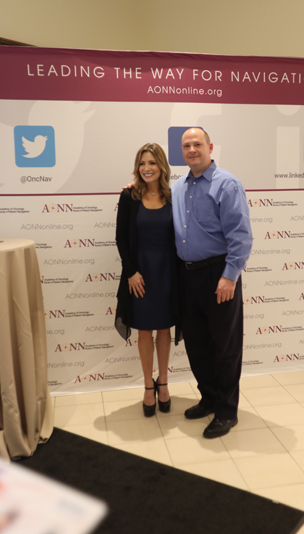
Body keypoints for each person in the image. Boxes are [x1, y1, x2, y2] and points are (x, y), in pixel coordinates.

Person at [172, 128, 252, 438]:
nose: (192, 149)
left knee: (225, 346)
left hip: (219, 275)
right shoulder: (178, 187)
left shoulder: (227, 184)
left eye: (197, 144)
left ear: (210, 147)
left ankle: (227, 412)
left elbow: (241, 235)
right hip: (187, 275)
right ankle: (209, 398)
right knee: (196, 343)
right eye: (186, 145)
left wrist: (230, 276)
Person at [115, 143, 180, 417]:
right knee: (144, 331)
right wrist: (131, 272)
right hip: (139, 273)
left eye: (152, 163)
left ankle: (163, 383)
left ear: (161, 166)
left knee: (164, 329)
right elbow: (121, 238)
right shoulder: (129, 196)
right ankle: (147, 386)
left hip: (167, 271)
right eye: (142, 163)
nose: (147, 168)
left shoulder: (174, 196)